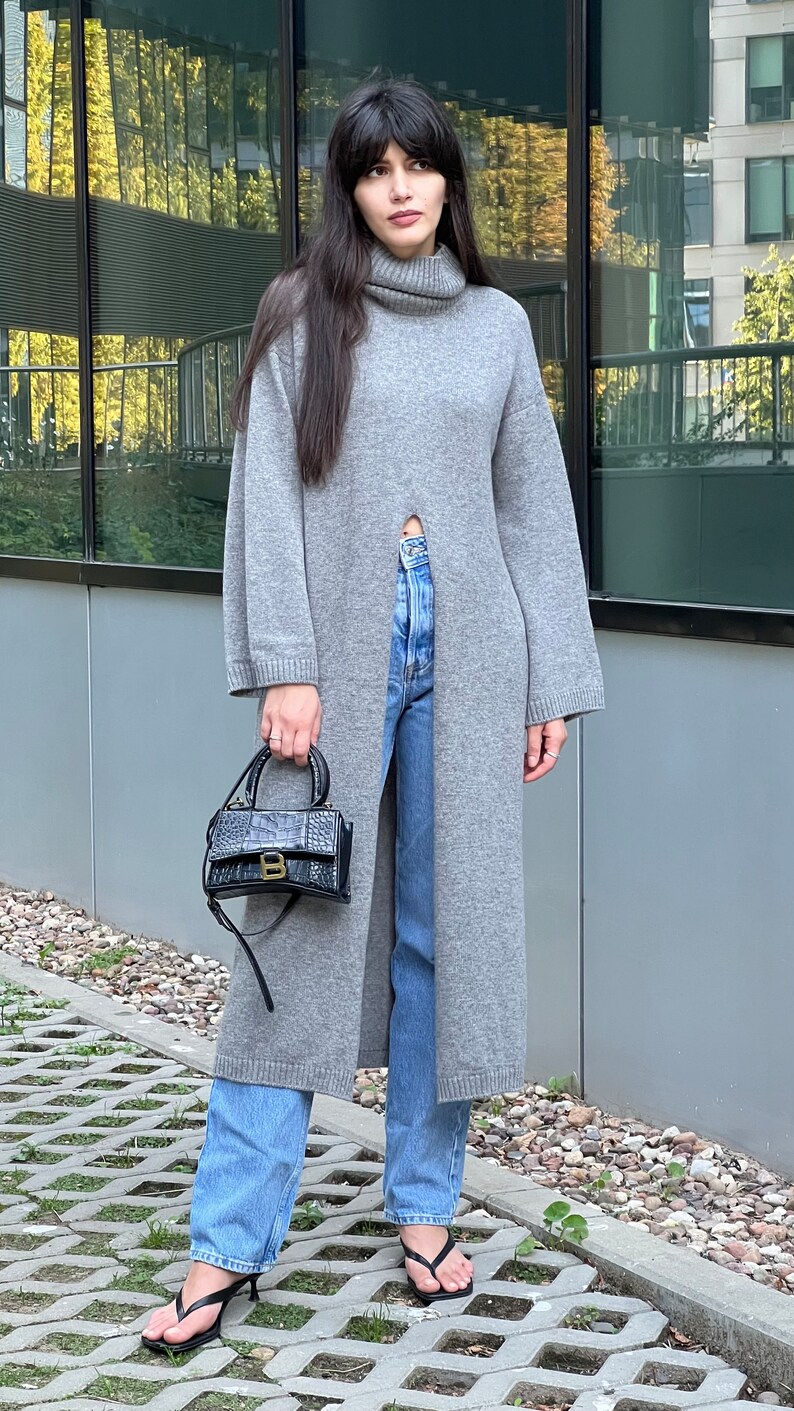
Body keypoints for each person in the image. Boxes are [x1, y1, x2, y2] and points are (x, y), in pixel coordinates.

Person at [141, 75, 605, 1353]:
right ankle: (226, 1243)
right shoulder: (305, 312)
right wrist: (284, 663)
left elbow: (529, 510)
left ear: (448, 181)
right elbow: (268, 496)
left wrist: (547, 680)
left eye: (419, 164)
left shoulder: (499, 327)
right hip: (336, 667)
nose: (399, 186)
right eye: (373, 168)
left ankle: (423, 1209)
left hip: (468, 664)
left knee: (438, 939)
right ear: (348, 189)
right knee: (289, 948)